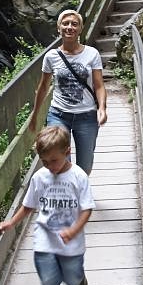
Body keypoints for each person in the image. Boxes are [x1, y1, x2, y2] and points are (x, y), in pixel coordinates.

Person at [0, 126, 94, 285]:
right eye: (45, 162)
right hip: (45, 238)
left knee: (71, 276)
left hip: (71, 242)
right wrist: (11, 222)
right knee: (49, 278)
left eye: (54, 161)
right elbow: (29, 205)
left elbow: (87, 209)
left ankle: (79, 280)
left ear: (67, 151)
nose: (50, 166)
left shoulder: (78, 177)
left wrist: (74, 230)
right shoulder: (40, 177)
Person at [29, 9, 107, 175]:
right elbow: (43, 87)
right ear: (59, 28)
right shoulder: (51, 56)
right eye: (65, 23)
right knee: (59, 162)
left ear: (80, 29)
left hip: (87, 115)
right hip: (58, 114)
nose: (69, 27)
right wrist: (34, 115)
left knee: (84, 166)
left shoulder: (92, 54)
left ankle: (78, 191)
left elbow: (99, 85)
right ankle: (69, 199)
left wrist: (102, 108)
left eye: (74, 24)